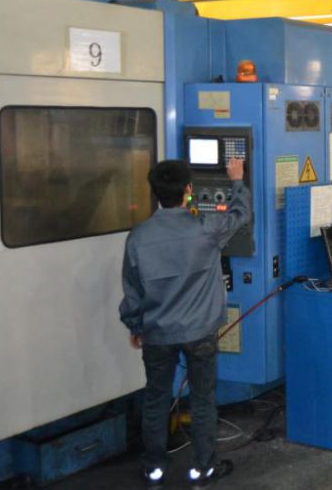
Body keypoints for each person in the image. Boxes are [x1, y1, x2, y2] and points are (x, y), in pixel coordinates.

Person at [120, 158, 252, 487]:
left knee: (156, 399)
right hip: (201, 332)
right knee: (203, 399)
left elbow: (132, 290)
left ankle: (154, 468)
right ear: (189, 190)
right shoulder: (206, 228)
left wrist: (135, 326)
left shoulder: (138, 238)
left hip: (157, 333)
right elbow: (240, 214)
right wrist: (237, 180)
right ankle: (203, 468)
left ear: (154, 192)